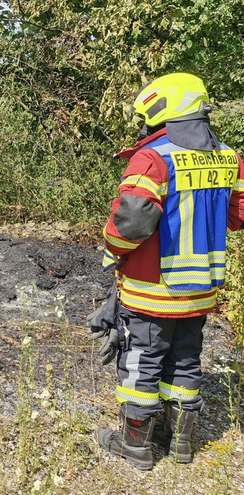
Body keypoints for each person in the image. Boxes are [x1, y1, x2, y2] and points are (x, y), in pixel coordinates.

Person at [94, 72, 244, 470]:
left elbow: (131, 223)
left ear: (161, 110)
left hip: (152, 289)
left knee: (141, 362)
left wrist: (114, 252)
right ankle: (180, 444)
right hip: (201, 291)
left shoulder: (154, 157)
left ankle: (135, 447)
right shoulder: (230, 157)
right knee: (185, 361)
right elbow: (238, 216)